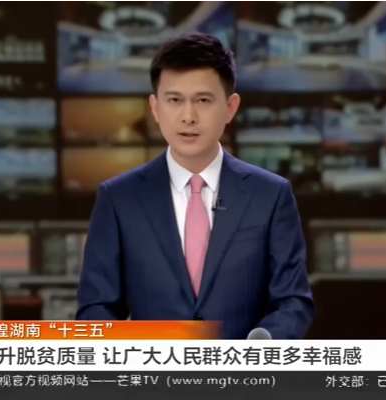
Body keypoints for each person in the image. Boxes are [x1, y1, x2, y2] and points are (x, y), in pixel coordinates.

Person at [76, 32, 314, 339]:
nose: (188, 117)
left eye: (203, 100)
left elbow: (292, 300)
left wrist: (260, 348)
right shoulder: (118, 198)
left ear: (230, 108)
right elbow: (96, 307)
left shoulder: (270, 195)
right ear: (155, 108)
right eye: (174, 100)